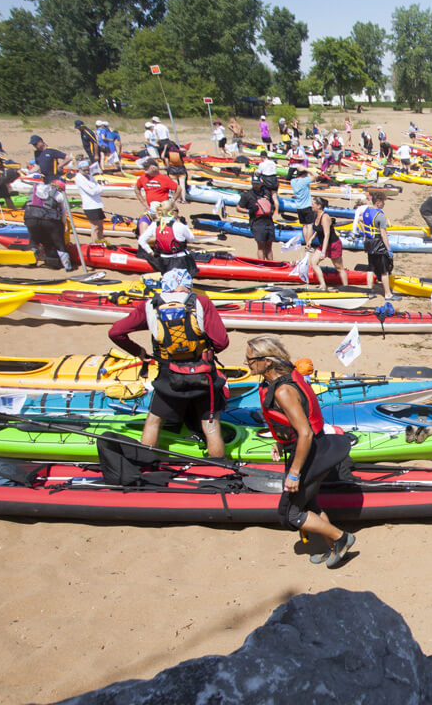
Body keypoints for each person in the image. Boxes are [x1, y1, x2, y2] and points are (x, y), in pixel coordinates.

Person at [246, 335, 357, 568]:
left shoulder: (283, 391)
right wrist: (280, 441)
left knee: (291, 514)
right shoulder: (283, 379)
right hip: (312, 447)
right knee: (310, 504)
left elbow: (305, 433)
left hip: (310, 454)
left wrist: (294, 473)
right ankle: (334, 548)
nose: (247, 364)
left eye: (250, 360)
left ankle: (341, 538)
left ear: (266, 361)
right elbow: (294, 423)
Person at [108, 268, 231, 461]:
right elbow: (222, 342)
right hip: (203, 374)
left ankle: (145, 464)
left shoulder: (150, 305)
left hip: (168, 374)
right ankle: (219, 469)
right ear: (188, 284)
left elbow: (116, 332)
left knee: (153, 422)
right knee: (211, 425)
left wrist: (139, 352)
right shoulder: (202, 302)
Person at [23, 177, 75, 271]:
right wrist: (62, 229)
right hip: (48, 220)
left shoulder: (35, 188)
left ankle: (32, 262)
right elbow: (63, 215)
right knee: (59, 243)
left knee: (34, 241)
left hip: (30, 218)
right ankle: (68, 266)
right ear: (60, 188)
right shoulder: (59, 195)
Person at [138, 200, 198, 275]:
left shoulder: (155, 225)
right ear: (172, 212)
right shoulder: (179, 225)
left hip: (163, 260)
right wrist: (185, 224)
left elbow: (141, 240)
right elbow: (191, 239)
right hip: (181, 260)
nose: (178, 213)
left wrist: (151, 253)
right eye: (177, 210)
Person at [355, 191, 394, 296]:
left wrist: (364, 232)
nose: (384, 204)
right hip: (378, 244)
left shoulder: (366, 211)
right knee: (384, 271)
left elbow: (360, 220)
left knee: (371, 267)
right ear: (378, 202)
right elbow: (383, 235)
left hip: (368, 243)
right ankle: (388, 294)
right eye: (383, 202)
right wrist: (389, 249)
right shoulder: (380, 215)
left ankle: (369, 290)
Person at [305, 196, 348, 291]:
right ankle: (323, 285)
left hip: (333, 244)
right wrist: (311, 239)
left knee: (339, 267)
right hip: (323, 244)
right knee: (314, 262)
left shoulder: (325, 217)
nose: (311, 205)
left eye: (313, 204)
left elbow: (327, 234)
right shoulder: (316, 215)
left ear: (319, 206)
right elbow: (318, 230)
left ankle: (346, 287)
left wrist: (324, 252)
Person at [236, 174, 279, 260]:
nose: (256, 185)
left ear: (261, 183)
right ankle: (262, 264)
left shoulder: (266, 192)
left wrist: (272, 209)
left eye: (257, 183)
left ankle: (271, 264)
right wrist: (249, 211)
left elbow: (272, 203)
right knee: (261, 246)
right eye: (254, 183)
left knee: (269, 246)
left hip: (268, 221)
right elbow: (238, 208)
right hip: (257, 222)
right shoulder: (247, 195)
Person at [72, 159, 107, 242]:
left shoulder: (90, 176)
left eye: (88, 169)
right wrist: (97, 189)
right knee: (95, 227)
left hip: (97, 204)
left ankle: (101, 241)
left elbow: (98, 188)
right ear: (79, 169)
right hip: (89, 206)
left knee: (100, 226)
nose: (87, 171)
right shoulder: (79, 178)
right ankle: (95, 243)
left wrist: (97, 189)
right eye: (85, 170)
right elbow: (92, 192)